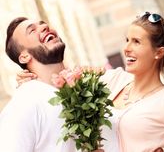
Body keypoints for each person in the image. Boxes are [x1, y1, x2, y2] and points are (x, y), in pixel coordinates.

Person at [16, 12, 164, 152]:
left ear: (159, 52)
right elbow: (63, 81)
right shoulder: (114, 79)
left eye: (136, 42)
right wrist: (31, 77)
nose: (127, 48)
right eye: (127, 40)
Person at [0, 17, 105, 152]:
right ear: (24, 57)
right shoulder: (23, 104)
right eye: (32, 30)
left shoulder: (86, 89)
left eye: (43, 24)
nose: (45, 27)